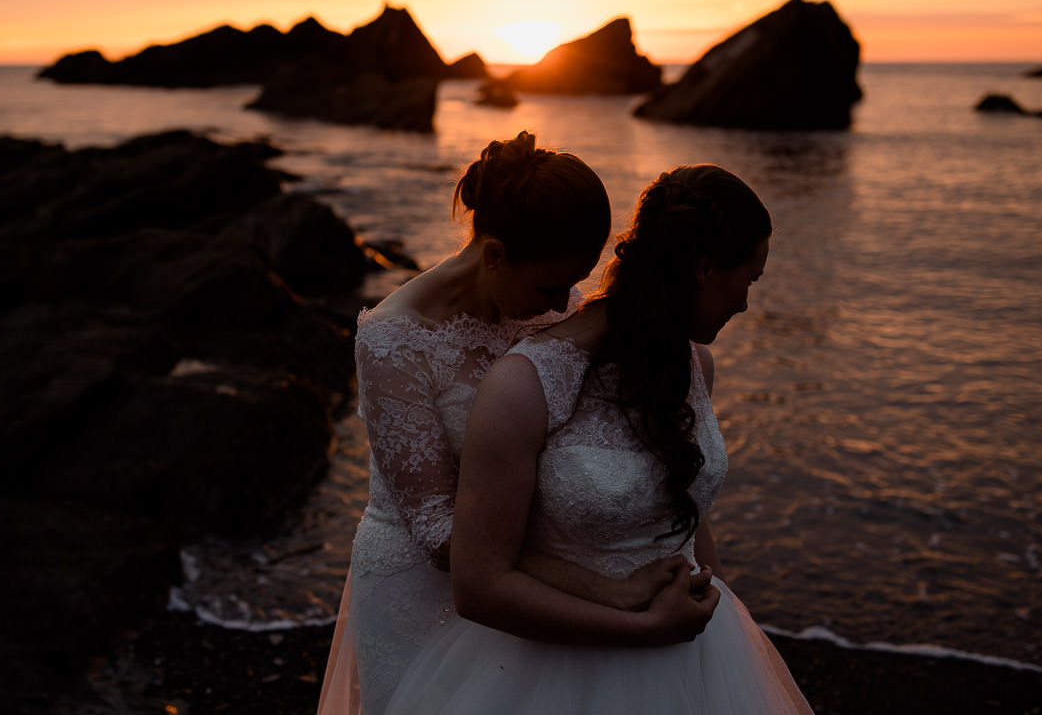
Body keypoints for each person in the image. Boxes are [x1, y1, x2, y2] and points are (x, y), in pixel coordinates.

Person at [381, 165, 813, 714]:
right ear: (705, 269)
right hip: (552, 672)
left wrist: (725, 620)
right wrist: (646, 628)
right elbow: (479, 585)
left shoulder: (696, 367)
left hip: (693, 653)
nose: (747, 303)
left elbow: (686, 508)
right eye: (749, 280)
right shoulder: (525, 385)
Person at [318, 135, 719, 715]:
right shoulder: (393, 338)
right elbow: (438, 531)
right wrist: (612, 590)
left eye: (576, 284)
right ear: (495, 255)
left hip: (527, 576)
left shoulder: (549, 302)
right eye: (550, 287)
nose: (565, 306)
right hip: (427, 588)